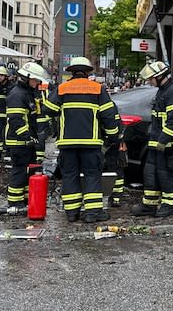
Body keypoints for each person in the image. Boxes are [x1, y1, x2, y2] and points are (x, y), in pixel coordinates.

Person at [42, 57, 119, 223]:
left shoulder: (62, 89)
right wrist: (113, 137)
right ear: (87, 72)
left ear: (71, 71)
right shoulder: (98, 89)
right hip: (91, 144)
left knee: (70, 176)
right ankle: (93, 213)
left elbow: (48, 109)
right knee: (92, 176)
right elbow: (109, 115)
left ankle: (72, 213)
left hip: (67, 144)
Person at [131, 61, 173, 218]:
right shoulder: (162, 91)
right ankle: (149, 205)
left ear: (160, 76)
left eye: (150, 79)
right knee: (151, 174)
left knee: (166, 175)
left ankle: (168, 206)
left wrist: (163, 140)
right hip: (156, 143)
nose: (149, 81)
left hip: (169, 145)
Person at [4, 62, 48, 208]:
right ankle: (15, 202)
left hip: (26, 142)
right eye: (36, 80)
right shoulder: (18, 94)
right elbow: (17, 120)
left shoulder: (27, 93)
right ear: (27, 78)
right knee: (19, 172)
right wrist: (27, 137)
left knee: (28, 172)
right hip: (19, 142)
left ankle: (25, 200)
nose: (37, 83)